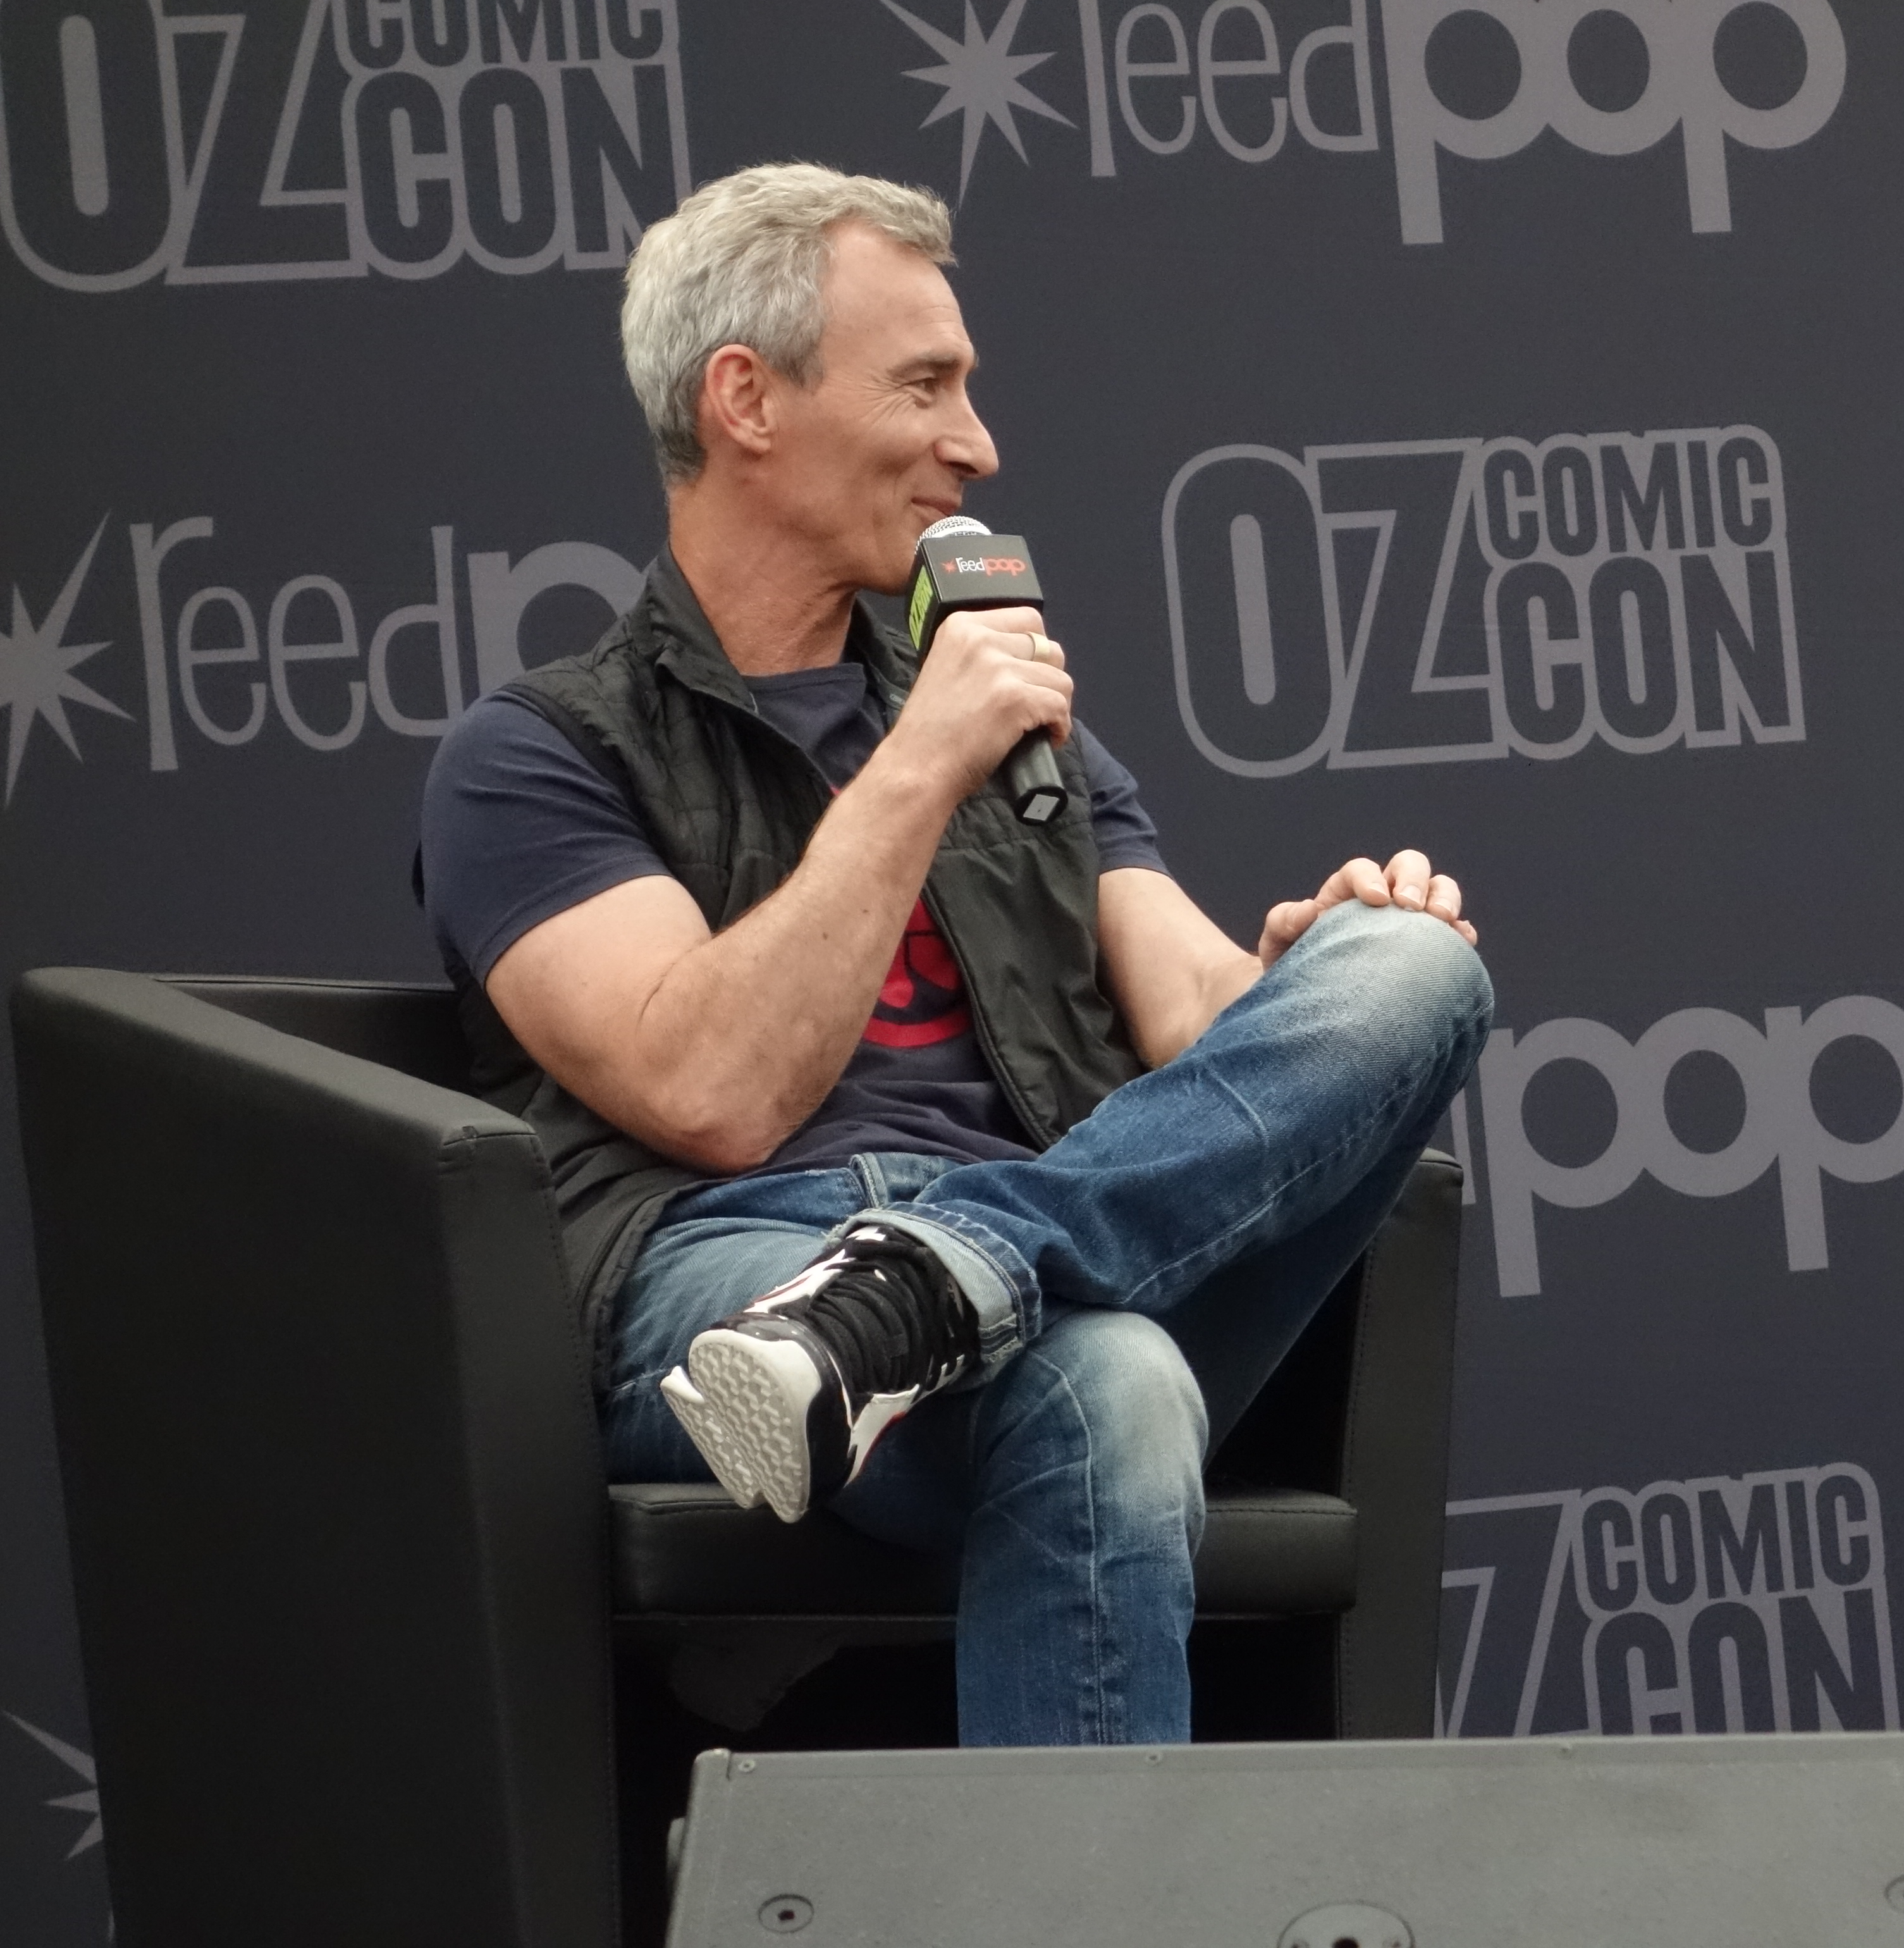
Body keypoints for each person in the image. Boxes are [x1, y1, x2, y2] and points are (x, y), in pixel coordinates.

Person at [415, 163, 1490, 1748]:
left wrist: (1308, 978)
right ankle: (923, 1294)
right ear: (745, 401)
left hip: (1042, 1244)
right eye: (924, 386)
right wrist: (921, 756)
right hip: (737, 1290)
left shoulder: (1032, 734)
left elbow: (1200, 1021)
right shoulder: (538, 755)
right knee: (1114, 1381)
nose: (976, 447)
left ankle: (944, 1281)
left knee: (1418, 966)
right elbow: (710, 1091)